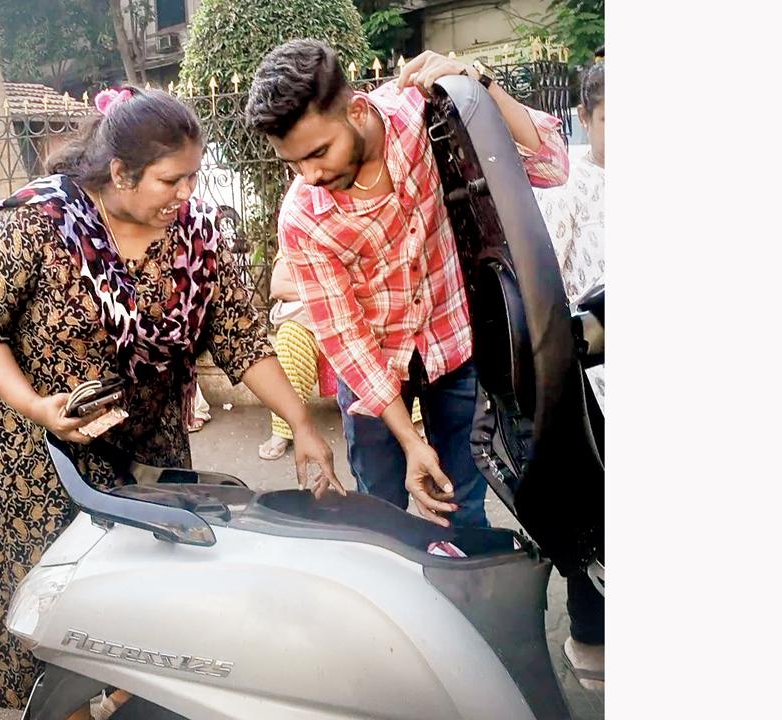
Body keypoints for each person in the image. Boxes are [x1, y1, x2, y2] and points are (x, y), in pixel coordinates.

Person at [0, 85, 343, 712]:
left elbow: (241, 338)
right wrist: (38, 405)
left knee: (143, 628)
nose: (186, 195)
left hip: (145, 466)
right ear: (120, 173)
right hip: (37, 465)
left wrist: (303, 423)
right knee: (56, 637)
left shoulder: (197, 240)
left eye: (193, 178)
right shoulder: (36, 225)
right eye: (170, 181)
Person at [245, 40, 569, 528]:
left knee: (461, 508)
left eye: (317, 153)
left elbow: (552, 164)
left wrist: (475, 84)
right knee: (380, 513)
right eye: (293, 164)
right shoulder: (304, 217)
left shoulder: (427, 115)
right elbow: (345, 338)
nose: (308, 175)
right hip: (372, 376)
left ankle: (464, 597)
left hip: (455, 349)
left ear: (356, 110)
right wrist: (411, 440)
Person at [535, 54, 605, 691]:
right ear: (585, 117)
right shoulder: (569, 186)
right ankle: (590, 635)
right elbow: (546, 281)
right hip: (592, 380)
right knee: (596, 513)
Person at [260, 253, 423, 460]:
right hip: (314, 319)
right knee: (289, 338)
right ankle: (286, 427)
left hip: (366, 320)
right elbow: (280, 286)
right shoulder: (302, 227)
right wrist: (336, 294)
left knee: (396, 338)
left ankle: (413, 425)